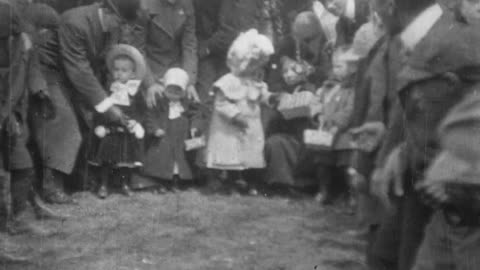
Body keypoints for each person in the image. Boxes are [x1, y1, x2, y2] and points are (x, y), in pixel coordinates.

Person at [366, 0, 480, 269]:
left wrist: (458, 176)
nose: (375, 13)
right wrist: (405, 148)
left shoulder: (455, 41)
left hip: (461, 203)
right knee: (385, 257)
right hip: (437, 198)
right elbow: (426, 104)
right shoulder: (430, 38)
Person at [59, 0, 158, 189]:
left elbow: (131, 52)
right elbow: (79, 70)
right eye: (122, 24)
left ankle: (93, 179)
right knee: (71, 126)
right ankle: (58, 184)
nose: (124, 30)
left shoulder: (114, 24)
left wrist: (149, 83)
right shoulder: (75, 23)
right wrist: (107, 106)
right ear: (108, 12)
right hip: (57, 76)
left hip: (88, 80)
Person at [0, 0, 55, 236]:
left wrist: (41, 90)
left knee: (22, 165)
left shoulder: (23, 42)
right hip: (5, 112)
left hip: (12, 112)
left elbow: (32, 70)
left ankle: (19, 217)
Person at [204, 29, 278, 195]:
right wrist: (235, 115)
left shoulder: (255, 81)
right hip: (231, 126)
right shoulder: (229, 81)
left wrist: (271, 98)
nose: (257, 69)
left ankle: (250, 182)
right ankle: (231, 182)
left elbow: (261, 94)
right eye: (253, 65)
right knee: (232, 154)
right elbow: (221, 103)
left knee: (250, 153)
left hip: (251, 123)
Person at [25, 3, 82, 205]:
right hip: (36, 80)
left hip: (51, 77)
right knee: (64, 127)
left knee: (65, 129)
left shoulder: (43, 11)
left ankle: (53, 186)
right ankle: (51, 188)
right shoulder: (27, 12)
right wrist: (40, 89)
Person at [89, 44, 147, 199]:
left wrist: (136, 122)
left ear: (132, 73)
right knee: (106, 159)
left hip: (127, 131)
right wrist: (101, 124)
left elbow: (141, 110)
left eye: (124, 70)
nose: (119, 73)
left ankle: (125, 184)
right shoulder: (109, 89)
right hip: (111, 130)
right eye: (116, 69)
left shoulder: (135, 92)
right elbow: (103, 106)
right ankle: (104, 184)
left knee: (126, 161)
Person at [143, 68, 206, 192]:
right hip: (165, 137)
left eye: (178, 90)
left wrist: (194, 126)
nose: (173, 93)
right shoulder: (159, 102)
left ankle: (177, 181)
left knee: (180, 160)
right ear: (164, 87)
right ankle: (161, 182)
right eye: (170, 89)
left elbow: (197, 115)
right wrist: (155, 129)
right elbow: (150, 116)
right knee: (162, 159)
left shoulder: (187, 103)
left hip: (180, 137)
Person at [314, 46, 357, 204]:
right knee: (322, 162)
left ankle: (353, 194)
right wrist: (318, 115)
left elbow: (350, 110)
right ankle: (324, 191)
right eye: (334, 66)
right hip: (326, 132)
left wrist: (337, 125)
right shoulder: (328, 86)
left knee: (347, 164)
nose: (336, 70)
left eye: (340, 66)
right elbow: (317, 101)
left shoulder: (353, 89)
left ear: (352, 68)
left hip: (343, 133)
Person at [142, 0, 199, 108]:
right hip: (150, 66)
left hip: (176, 68)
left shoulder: (186, 4)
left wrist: (189, 81)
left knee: (186, 107)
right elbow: (138, 49)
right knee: (153, 107)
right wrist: (149, 83)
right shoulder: (145, 5)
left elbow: (189, 45)